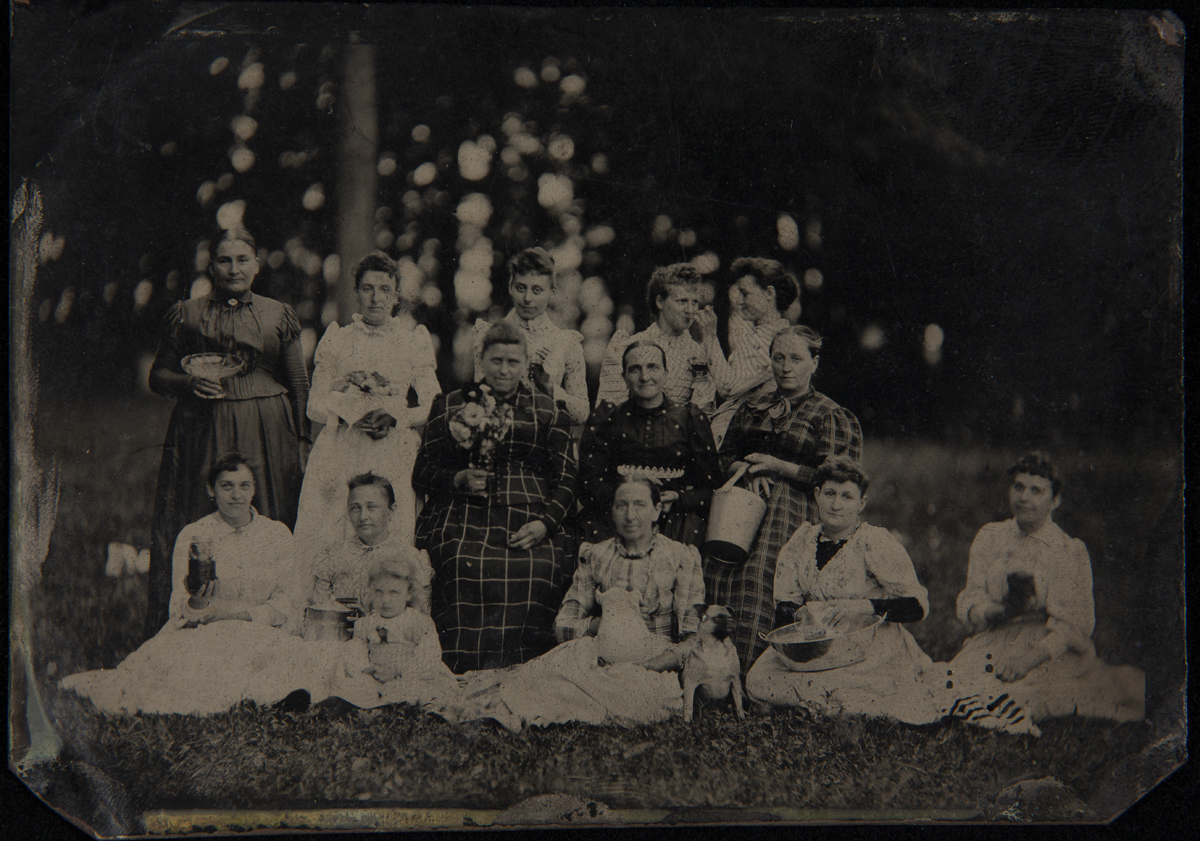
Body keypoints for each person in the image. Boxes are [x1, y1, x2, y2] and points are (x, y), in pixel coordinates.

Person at [146, 228, 310, 637]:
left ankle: (272, 626)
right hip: (203, 428)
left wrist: (305, 441)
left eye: (242, 260)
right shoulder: (188, 312)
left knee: (271, 513)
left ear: (256, 265)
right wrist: (188, 384)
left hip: (267, 428)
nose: (234, 268)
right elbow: (157, 375)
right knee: (200, 513)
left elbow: (298, 382)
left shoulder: (278, 313)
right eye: (224, 260)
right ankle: (194, 620)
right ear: (212, 265)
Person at [60, 454, 310, 715]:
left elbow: (288, 601)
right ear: (210, 490)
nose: (236, 495)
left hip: (261, 630)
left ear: (254, 489)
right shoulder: (195, 534)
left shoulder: (276, 534)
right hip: (207, 632)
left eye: (244, 486)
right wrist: (198, 602)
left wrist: (238, 614)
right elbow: (180, 610)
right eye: (227, 486)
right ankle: (265, 698)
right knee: (194, 675)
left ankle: (273, 698)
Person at [458, 476, 701, 727]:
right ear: (612, 510)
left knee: (637, 697)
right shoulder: (596, 555)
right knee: (551, 678)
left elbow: (694, 638)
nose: (630, 515)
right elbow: (563, 624)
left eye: (639, 505)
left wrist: (653, 665)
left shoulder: (680, 556)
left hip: (655, 662)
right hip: (601, 656)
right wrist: (599, 625)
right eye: (621, 505)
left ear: (657, 510)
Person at [413, 321, 578, 673]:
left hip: (529, 517)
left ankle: (527, 670)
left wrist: (545, 524)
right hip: (462, 516)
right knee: (458, 563)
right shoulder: (451, 404)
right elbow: (422, 472)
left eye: (513, 362)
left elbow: (566, 478)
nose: (504, 370)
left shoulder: (547, 410)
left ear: (525, 364)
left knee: (541, 568)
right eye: (497, 360)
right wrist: (456, 478)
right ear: (482, 360)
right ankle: (463, 667)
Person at [706, 325, 863, 674]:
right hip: (741, 506)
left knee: (760, 577)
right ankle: (715, 671)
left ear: (814, 362)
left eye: (796, 358)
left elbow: (838, 480)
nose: (786, 366)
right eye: (779, 358)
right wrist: (748, 469)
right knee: (718, 571)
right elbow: (723, 455)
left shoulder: (829, 414)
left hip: (795, 509)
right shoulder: (753, 405)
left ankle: (752, 671)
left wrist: (778, 467)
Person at [946, 452, 1144, 724]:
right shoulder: (991, 536)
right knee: (951, 687)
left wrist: (1024, 662)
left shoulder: (1067, 549)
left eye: (1036, 491)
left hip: (1048, 649)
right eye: (1018, 487)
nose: (1024, 498)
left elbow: (1071, 627)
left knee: (1007, 700)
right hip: (999, 635)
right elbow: (971, 597)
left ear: (1055, 500)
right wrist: (999, 612)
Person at [745, 456, 945, 724]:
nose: (836, 504)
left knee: (863, 685)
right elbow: (785, 603)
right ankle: (831, 703)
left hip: (869, 647)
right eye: (829, 494)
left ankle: (823, 703)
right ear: (817, 495)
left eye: (847, 497)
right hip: (814, 647)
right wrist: (797, 616)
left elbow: (918, 606)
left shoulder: (873, 542)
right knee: (756, 680)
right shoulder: (801, 540)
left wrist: (865, 606)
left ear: (862, 503)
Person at [294, 252, 440, 552]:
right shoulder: (338, 339)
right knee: (336, 530)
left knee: (393, 531)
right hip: (344, 448)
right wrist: (347, 412)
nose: (376, 298)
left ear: (396, 296)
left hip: (394, 449)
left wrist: (396, 416)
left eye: (385, 290)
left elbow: (433, 404)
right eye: (367, 289)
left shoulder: (412, 341)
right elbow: (314, 406)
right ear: (356, 292)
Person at [577, 340, 721, 547]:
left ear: (666, 373)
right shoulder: (607, 419)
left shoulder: (689, 418)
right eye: (635, 369)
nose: (645, 377)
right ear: (624, 378)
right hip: (617, 519)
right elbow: (587, 487)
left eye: (653, 367)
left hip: (676, 521)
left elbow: (712, 488)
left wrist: (679, 498)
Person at [472, 247, 589, 427]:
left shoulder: (566, 342)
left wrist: (550, 388)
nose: (527, 298)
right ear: (511, 286)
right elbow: (481, 398)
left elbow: (582, 414)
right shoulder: (487, 335)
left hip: (547, 442)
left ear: (552, 292)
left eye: (537, 290)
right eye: (521, 288)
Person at [694, 258, 798, 448]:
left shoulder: (776, 341)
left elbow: (729, 387)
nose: (739, 301)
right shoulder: (757, 335)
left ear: (769, 293)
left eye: (745, 293)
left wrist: (709, 336)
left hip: (749, 439)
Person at [594, 263, 719, 412]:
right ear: (660, 302)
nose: (690, 310)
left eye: (695, 302)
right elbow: (607, 412)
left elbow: (703, 415)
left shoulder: (699, 355)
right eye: (682, 301)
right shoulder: (627, 346)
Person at [308, 473, 433, 613]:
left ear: (391, 510)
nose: (362, 517)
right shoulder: (332, 556)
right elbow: (318, 609)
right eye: (355, 508)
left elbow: (421, 617)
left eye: (371, 507)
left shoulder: (410, 558)